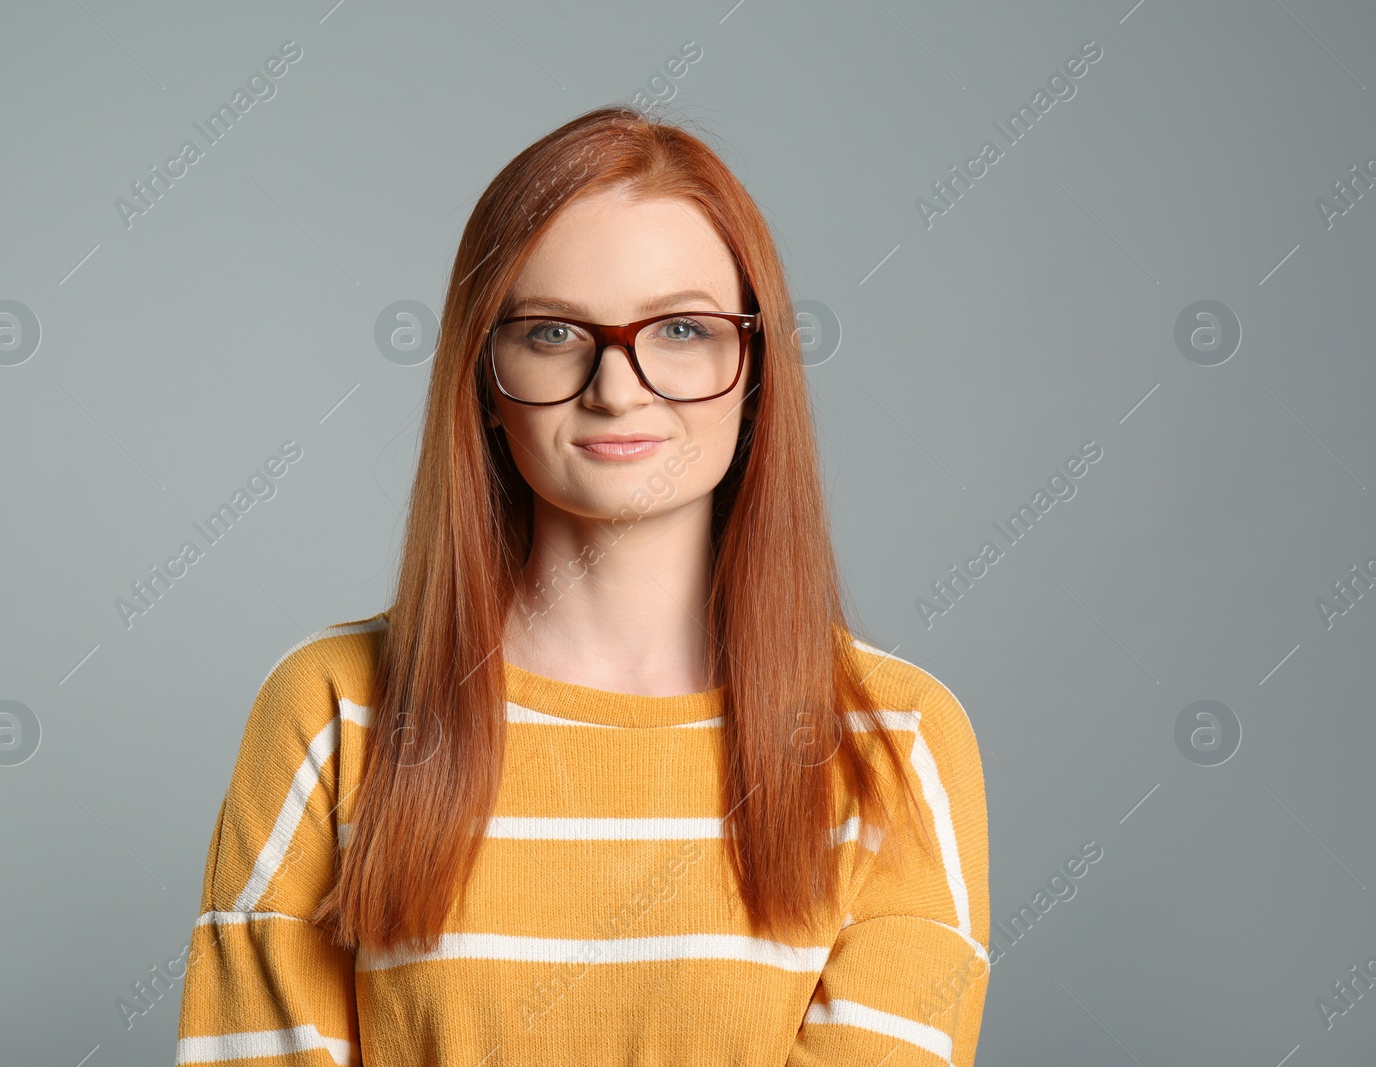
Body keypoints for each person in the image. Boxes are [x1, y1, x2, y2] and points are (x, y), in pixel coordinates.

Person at [175, 104, 990, 1066]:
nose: (616, 385)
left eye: (682, 327)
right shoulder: (332, 708)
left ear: (755, 367)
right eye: (554, 331)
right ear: (482, 374)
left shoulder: (895, 742)